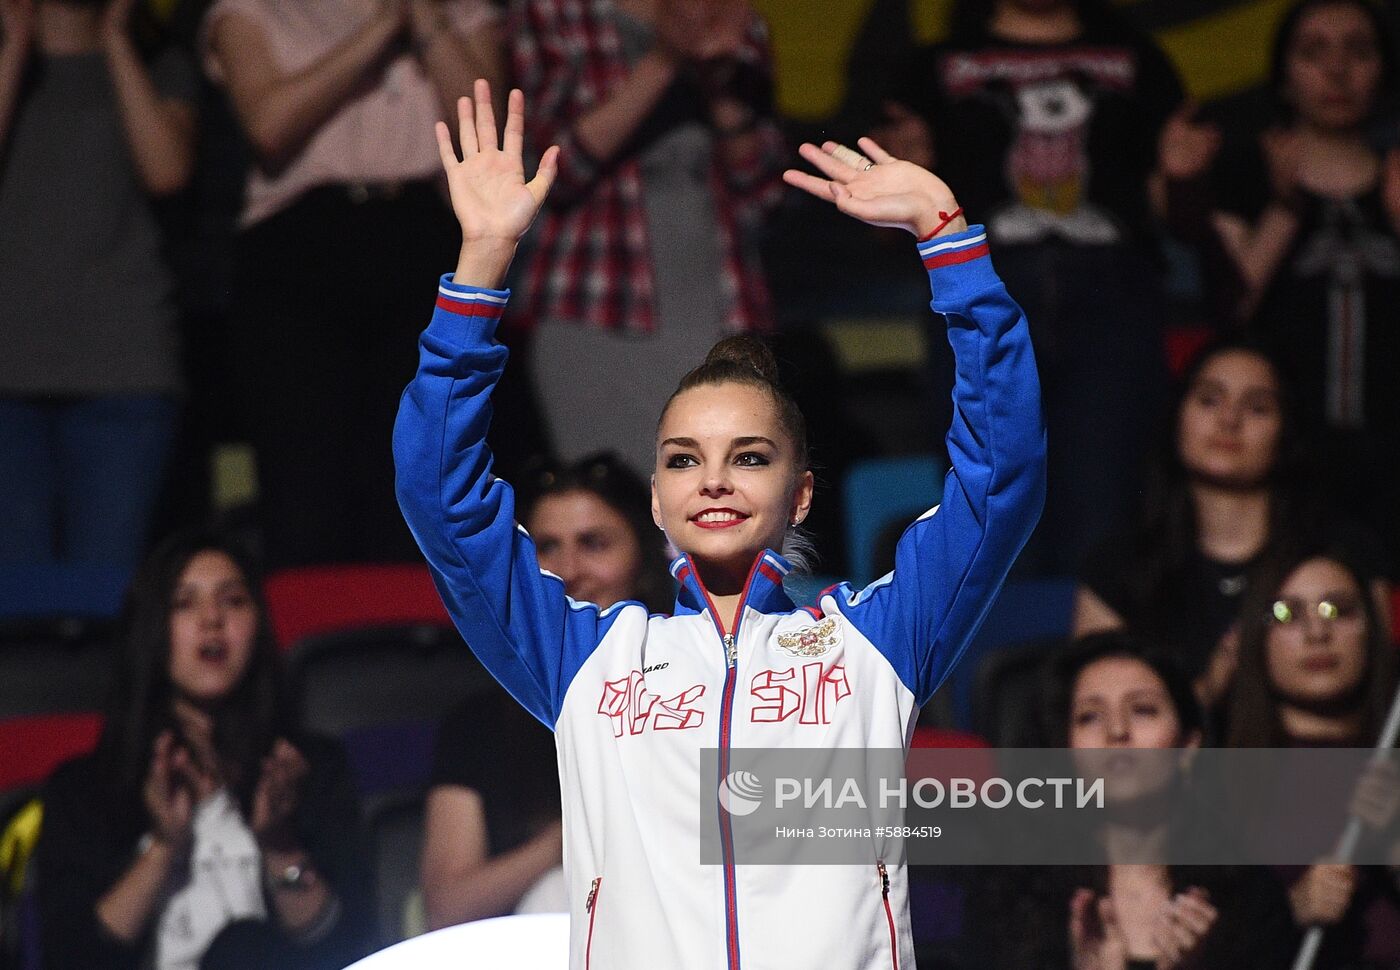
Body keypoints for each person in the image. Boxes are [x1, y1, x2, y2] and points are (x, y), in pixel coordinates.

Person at [394, 77, 1045, 968]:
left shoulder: (877, 642)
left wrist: (947, 241)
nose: (714, 482)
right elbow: (439, 495)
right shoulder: (587, 660)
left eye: (750, 456)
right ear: (657, 499)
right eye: (683, 459)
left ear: (802, 493)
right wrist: (480, 266)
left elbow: (1002, 474)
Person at [881, 0, 1185, 575]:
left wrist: (1189, 176)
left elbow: (1182, 214)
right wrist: (904, 180)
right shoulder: (935, 66)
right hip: (981, 298)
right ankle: (1003, 665)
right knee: (990, 510)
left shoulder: (1135, 56)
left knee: (1107, 508)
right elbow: (890, 236)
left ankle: (1093, 662)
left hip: (1113, 309)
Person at [199, 0, 501, 567]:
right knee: (304, 484)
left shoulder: (455, 10)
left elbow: (486, 134)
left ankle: (409, 649)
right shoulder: (256, 9)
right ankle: (314, 649)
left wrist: (425, 17)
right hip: (297, 246)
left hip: (426, 238)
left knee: (419, 478)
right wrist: (386, 26)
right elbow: (269, 128)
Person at [35, 529, 375, 970]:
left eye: (232, 601)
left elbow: (348, 947)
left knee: (244, 947)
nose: (212, 619)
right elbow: (72, 959)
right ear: (152, 630)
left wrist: (279, 843)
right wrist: (164, 846)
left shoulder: (305, 771)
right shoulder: (85, 789)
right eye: (184, 603)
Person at [1162, 0, 1400, 567]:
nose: (1337, 70)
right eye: (1314, 52)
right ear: (1285, 75)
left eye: (1358, 51)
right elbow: (1231, 312)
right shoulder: (1246, 176)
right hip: (1285, 455)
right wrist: (1285, 205)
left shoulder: (1395, 181)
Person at [509, 0, 787, 476]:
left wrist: (719, 84)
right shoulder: (555, 13)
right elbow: (547, 177)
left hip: (715, 305)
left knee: (717, 490)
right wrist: (665, 61)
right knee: (613, 499)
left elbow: (765, 193)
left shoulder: (730, 16)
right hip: (593, 307)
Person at [420, 452, 672, 929]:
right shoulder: (479, 723)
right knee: (554, 894)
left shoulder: (703, 688)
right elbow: (445, 910)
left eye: (594, 543)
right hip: (535, 941)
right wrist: (570, 836)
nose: (569, 569)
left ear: (644, 558)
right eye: (548, 546)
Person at [1073, 338, 1390, 710]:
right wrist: (1212, 685)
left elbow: (1377, 698)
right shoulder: (1119, 569)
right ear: (1178, 416)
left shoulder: (1343, 557)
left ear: (1286, 432)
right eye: (1209, 400)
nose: (1229, 420)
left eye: (1257, 407)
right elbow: (1098, 726)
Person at [0, 0, 195, 581]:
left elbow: (166, 170)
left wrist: (114, 36)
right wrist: (15, 46)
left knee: (109, 592)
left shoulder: (160, 62)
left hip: (124, 369)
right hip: (7, 372)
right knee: (15, 600)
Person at [967, 632, 1296, 968]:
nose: (1117, 731)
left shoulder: (1245, 894)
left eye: (1143, 710)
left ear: (1188, 745)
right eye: (1089, 717)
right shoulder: (1014, 893)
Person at [1226, 544, 1400, 969]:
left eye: (1336, 610)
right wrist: (1289, 913)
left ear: (1372, 630)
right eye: (1286, 614)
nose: (1316, 633)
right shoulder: (1216, 781)